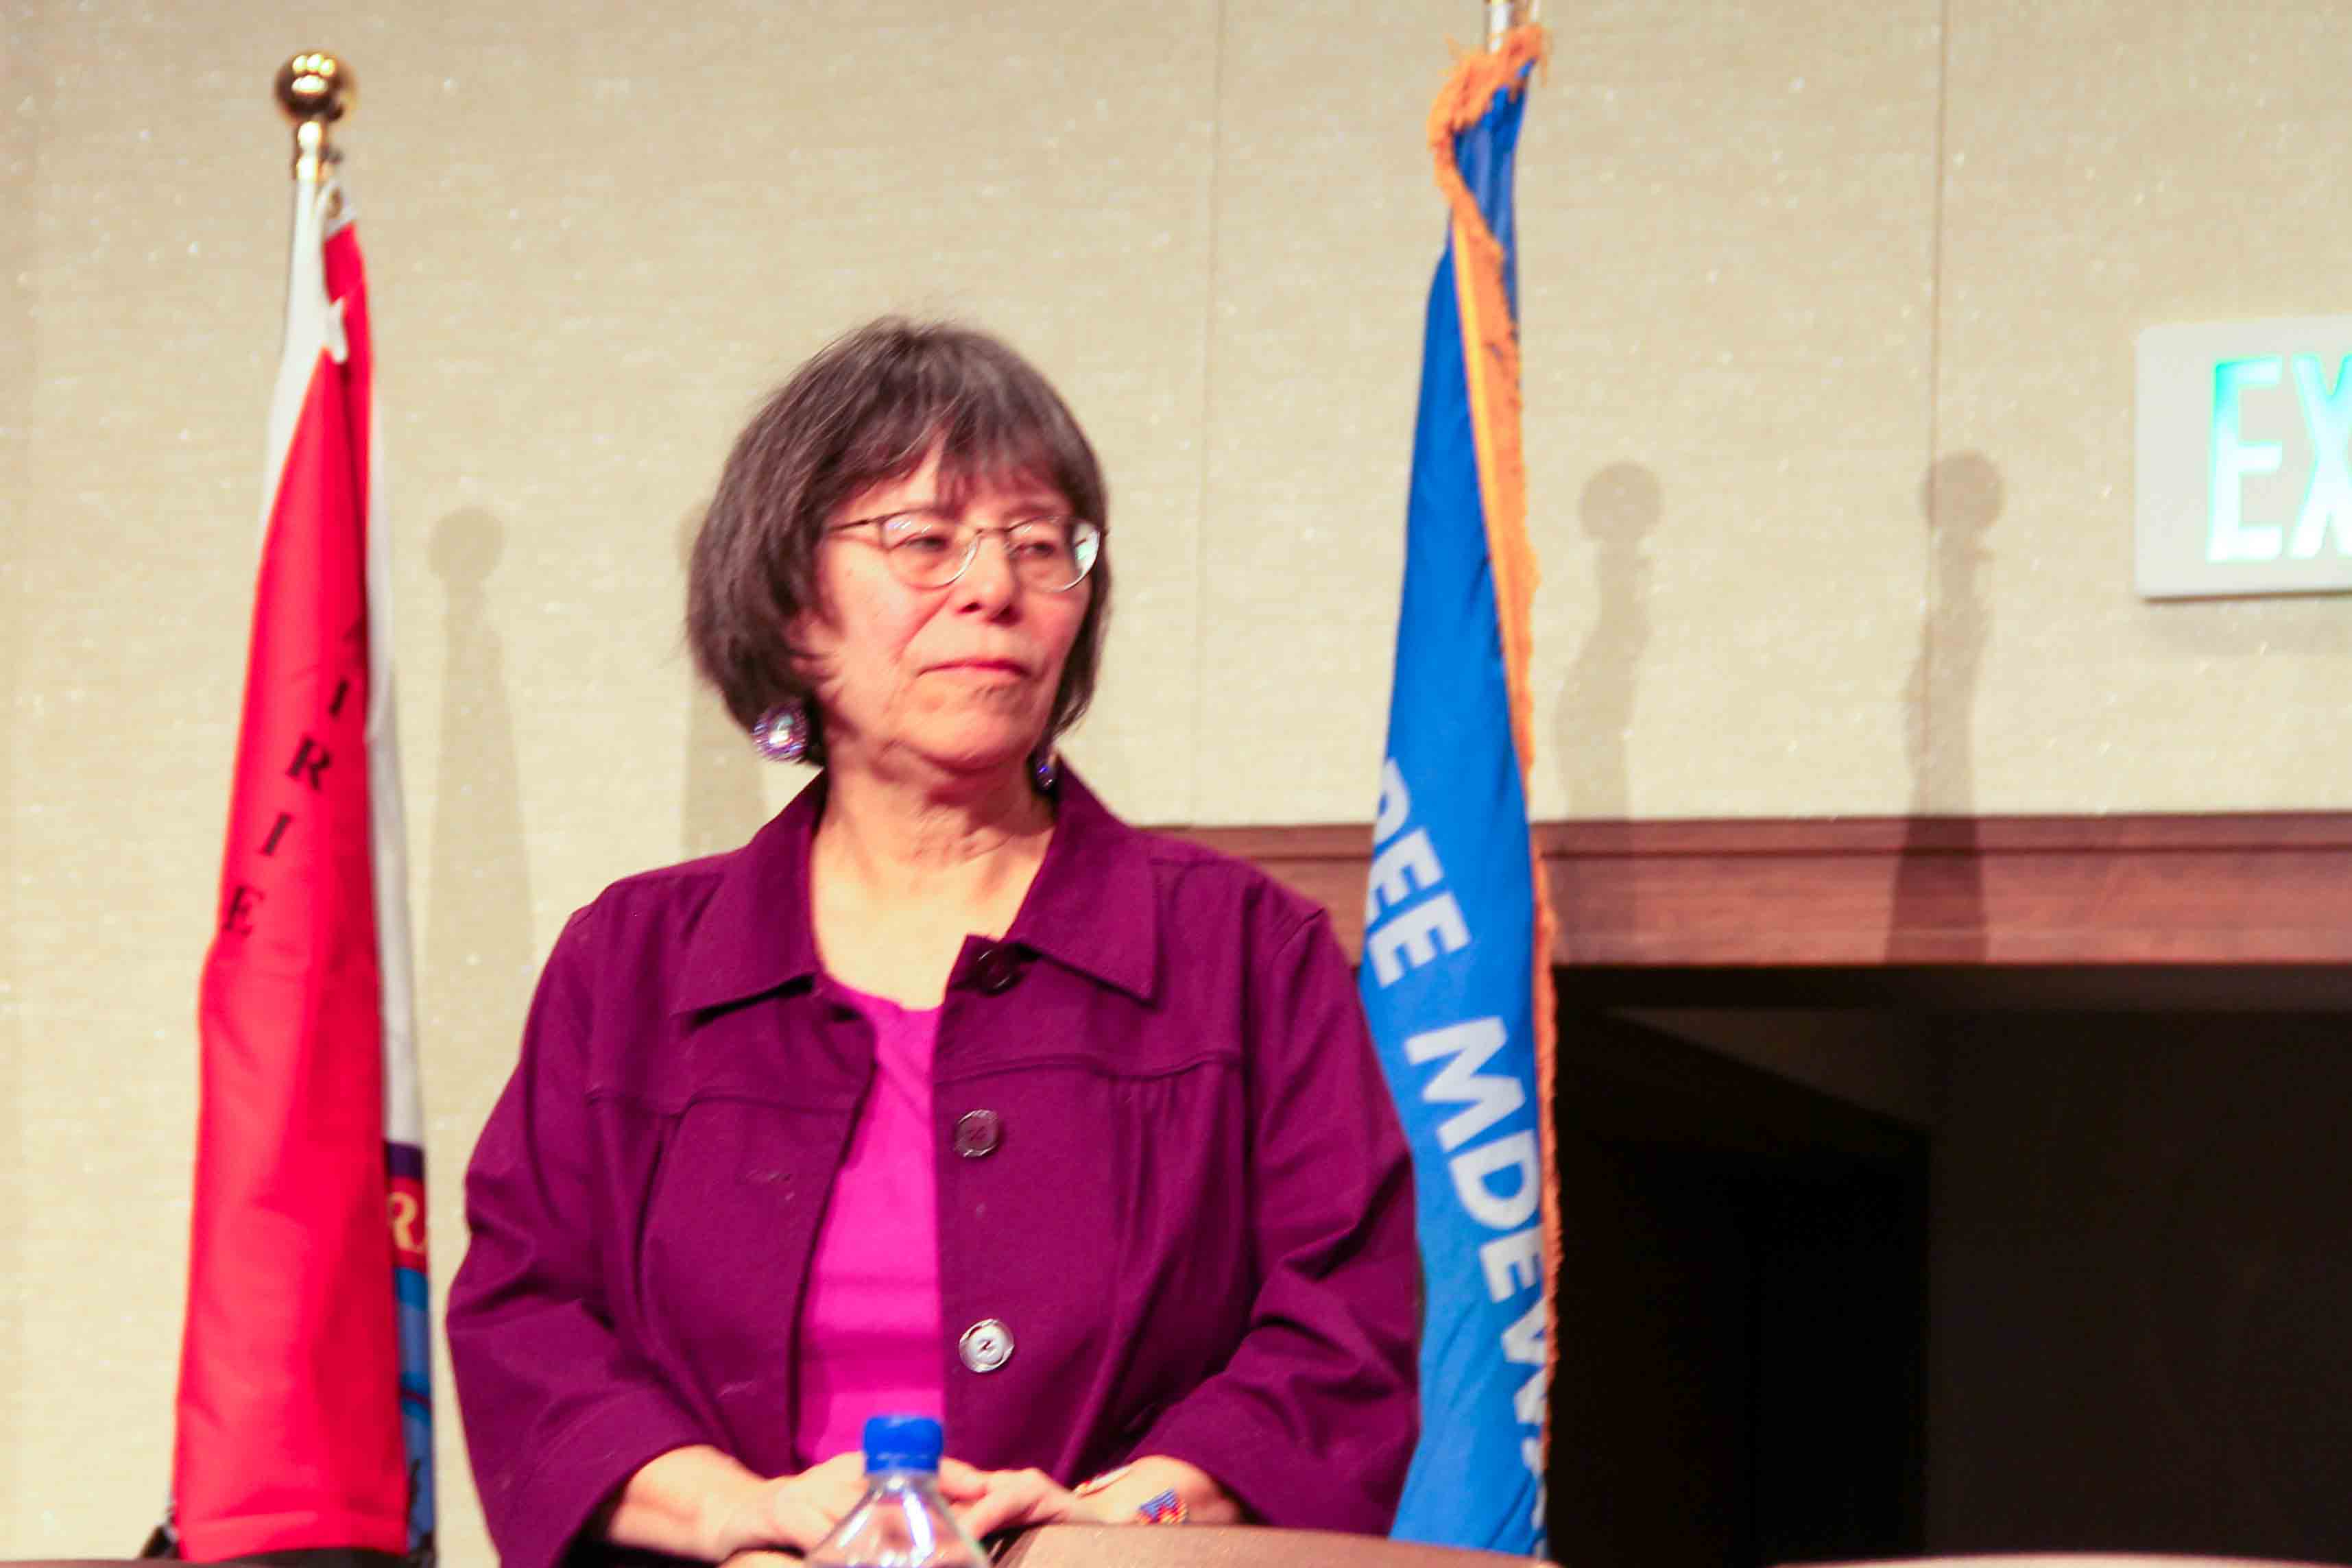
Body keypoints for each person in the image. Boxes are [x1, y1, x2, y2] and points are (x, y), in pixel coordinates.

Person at [446, 319, 1418, 1568]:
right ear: (793, 608)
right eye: (924, 540)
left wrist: (1111, 1522)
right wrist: (741, 1513)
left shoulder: (1243, 950)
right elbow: (529, 1325)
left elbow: (1344, 1334)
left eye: (1040, 544)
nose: (993, 587)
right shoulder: (631, 964)